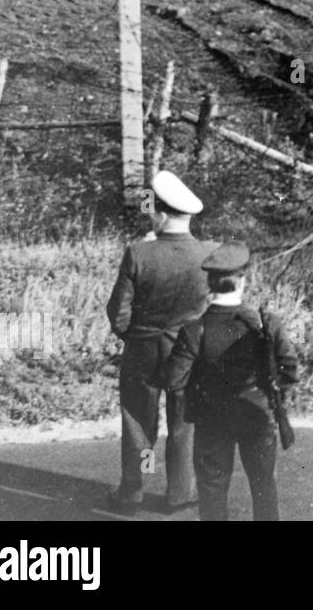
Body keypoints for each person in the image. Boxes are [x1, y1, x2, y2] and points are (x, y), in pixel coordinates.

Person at [158, 242, 298, 521]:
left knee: (212, 490)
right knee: (263, 486)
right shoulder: (264, 323)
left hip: (212, 417)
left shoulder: (194, 328)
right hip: (257, 414)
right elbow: (289, 370)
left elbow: (173, 380)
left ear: (210, 284)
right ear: (243, 280)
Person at [105, 170, 217, 512]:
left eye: (152, 208)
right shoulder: (208, 254)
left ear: (164, 213)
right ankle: (180, 492)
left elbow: (118, 313)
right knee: (184, 422)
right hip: (188, 353)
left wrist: (135, 337)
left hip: (144, 350)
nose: (149, 213)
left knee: (140, 422)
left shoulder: (138, 253)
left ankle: (135, 489)